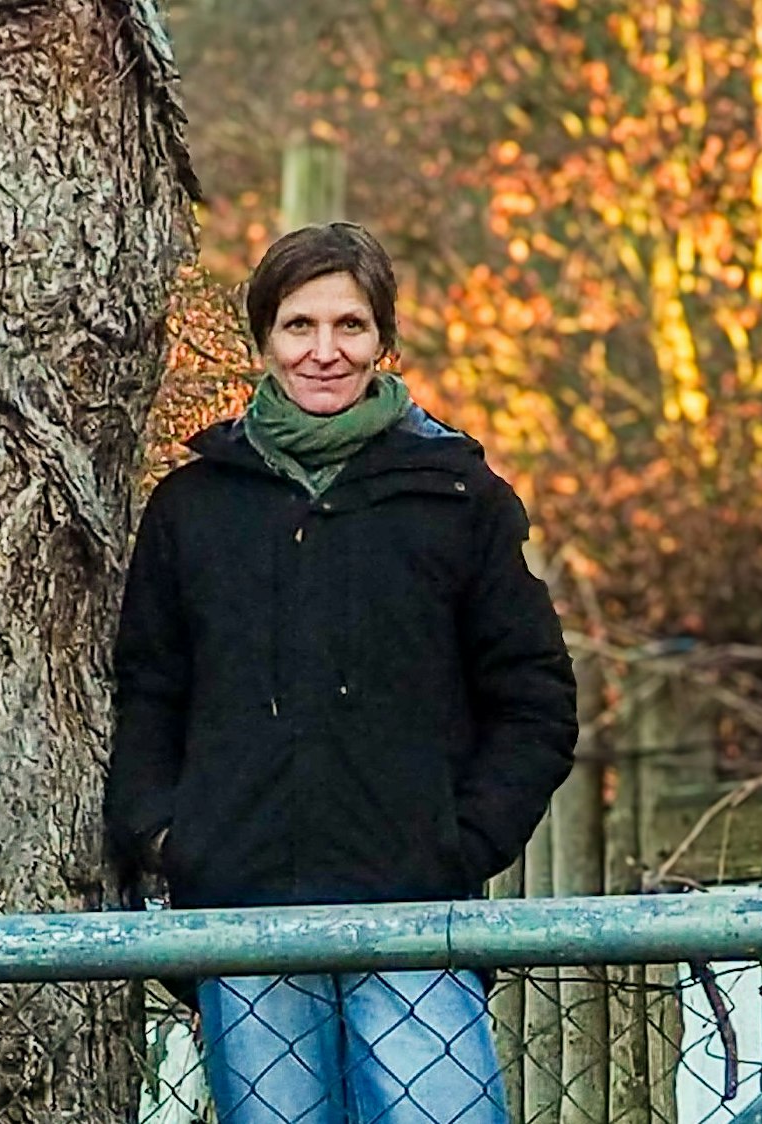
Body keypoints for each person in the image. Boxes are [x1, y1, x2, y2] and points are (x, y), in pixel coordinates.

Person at [104, 222, 579, 1124]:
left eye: (350, 326)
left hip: (412, 911)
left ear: (384, 341)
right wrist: (169, 835)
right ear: (264, 340)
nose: (325, 351)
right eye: (299, 326)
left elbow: (534, 698)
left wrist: (461, 841)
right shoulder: (194, 508)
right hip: (243, 912)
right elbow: (150, 690)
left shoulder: (456, 498)